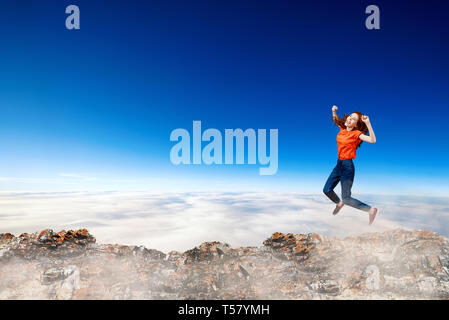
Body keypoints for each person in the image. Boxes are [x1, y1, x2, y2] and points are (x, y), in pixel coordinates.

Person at [323, 105, 378, 225]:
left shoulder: (357, 134)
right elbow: (336, 120)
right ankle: (339, 203)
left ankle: (371, 210)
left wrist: (368, 123)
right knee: (326, 190)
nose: (349, 119)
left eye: (353, 119)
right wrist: (333, 111)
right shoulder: (342, 129)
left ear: (356, 124)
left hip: (348, 167)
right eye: (349, 117)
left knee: (347, 198)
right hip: (339, 164)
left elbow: (372, 140)